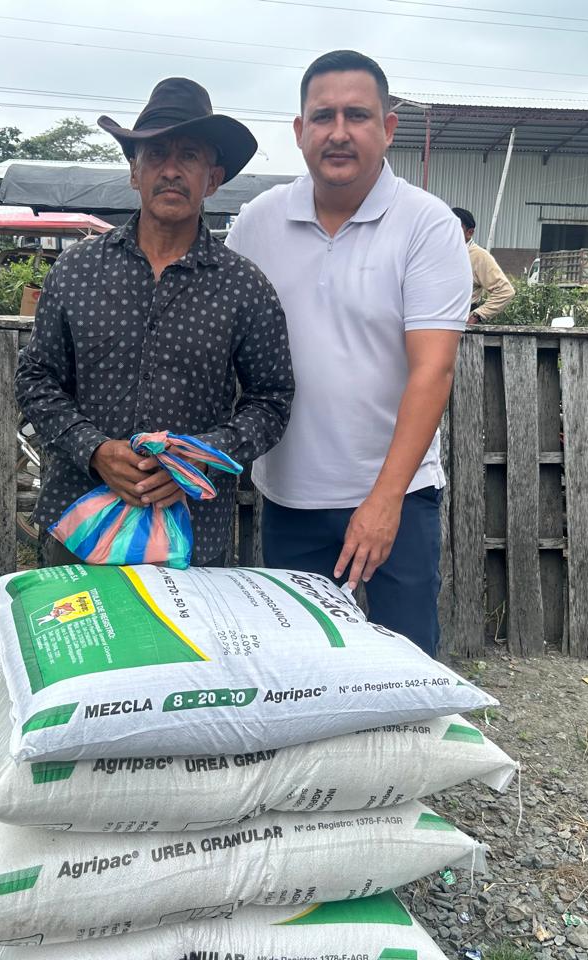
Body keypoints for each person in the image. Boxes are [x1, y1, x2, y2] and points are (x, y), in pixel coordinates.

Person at [226, 50, 472, 657]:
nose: (338, 132)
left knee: (406, 665)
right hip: (290, 495)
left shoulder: (426, 225)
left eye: (357, 115)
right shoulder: (257, 223)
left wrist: (384, 501)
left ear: (388, 128)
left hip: (398, 496)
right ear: (299, 130)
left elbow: (433, 369)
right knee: (301, 667)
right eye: (323, 116)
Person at [16, 78, 295, 568]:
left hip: (190, 536)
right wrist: (95, 449)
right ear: (134, 171)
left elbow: (271, 401)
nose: (170, 170)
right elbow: (35, 378)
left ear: (212, 178)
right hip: (80, 525)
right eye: (156, 154)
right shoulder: (77, 270)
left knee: (187, 627)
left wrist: (198, 458)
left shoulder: (244, 286)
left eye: (189, 155)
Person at [450, 207, 515, 324]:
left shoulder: (478, 256)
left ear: (469, 232)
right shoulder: (439, 252)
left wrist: (476, 316)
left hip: (460, 321)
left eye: (454, 228)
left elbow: (505, 291)